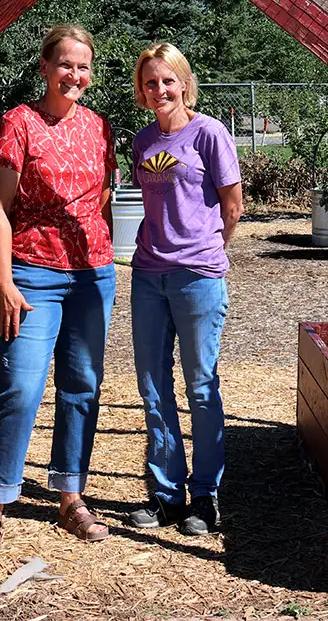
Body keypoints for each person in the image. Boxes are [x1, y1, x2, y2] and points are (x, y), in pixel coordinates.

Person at [0, 24, 117, 553]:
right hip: (32, 275)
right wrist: (3, 282)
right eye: (65, 64)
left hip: (93, 276)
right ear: (45, 68)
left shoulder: (100, 127)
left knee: (81, 386)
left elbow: (101, 199)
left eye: (83, 65)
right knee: (21, 386)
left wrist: (101, 260)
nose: (74, 74)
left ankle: (71, 497)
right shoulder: (20, 122)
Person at [128, 42, 243, 536]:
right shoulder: (142, 141)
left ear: (183, 82)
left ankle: (205, 496)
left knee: (200, 387)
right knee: (153, 387)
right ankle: (165, 493)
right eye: (151, 82)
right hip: (148, 275)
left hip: (198, 275)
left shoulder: (209, 133)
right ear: (142, 89)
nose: (160, 90)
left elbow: (233, 205)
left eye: (167, 80)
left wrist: (209, 250)